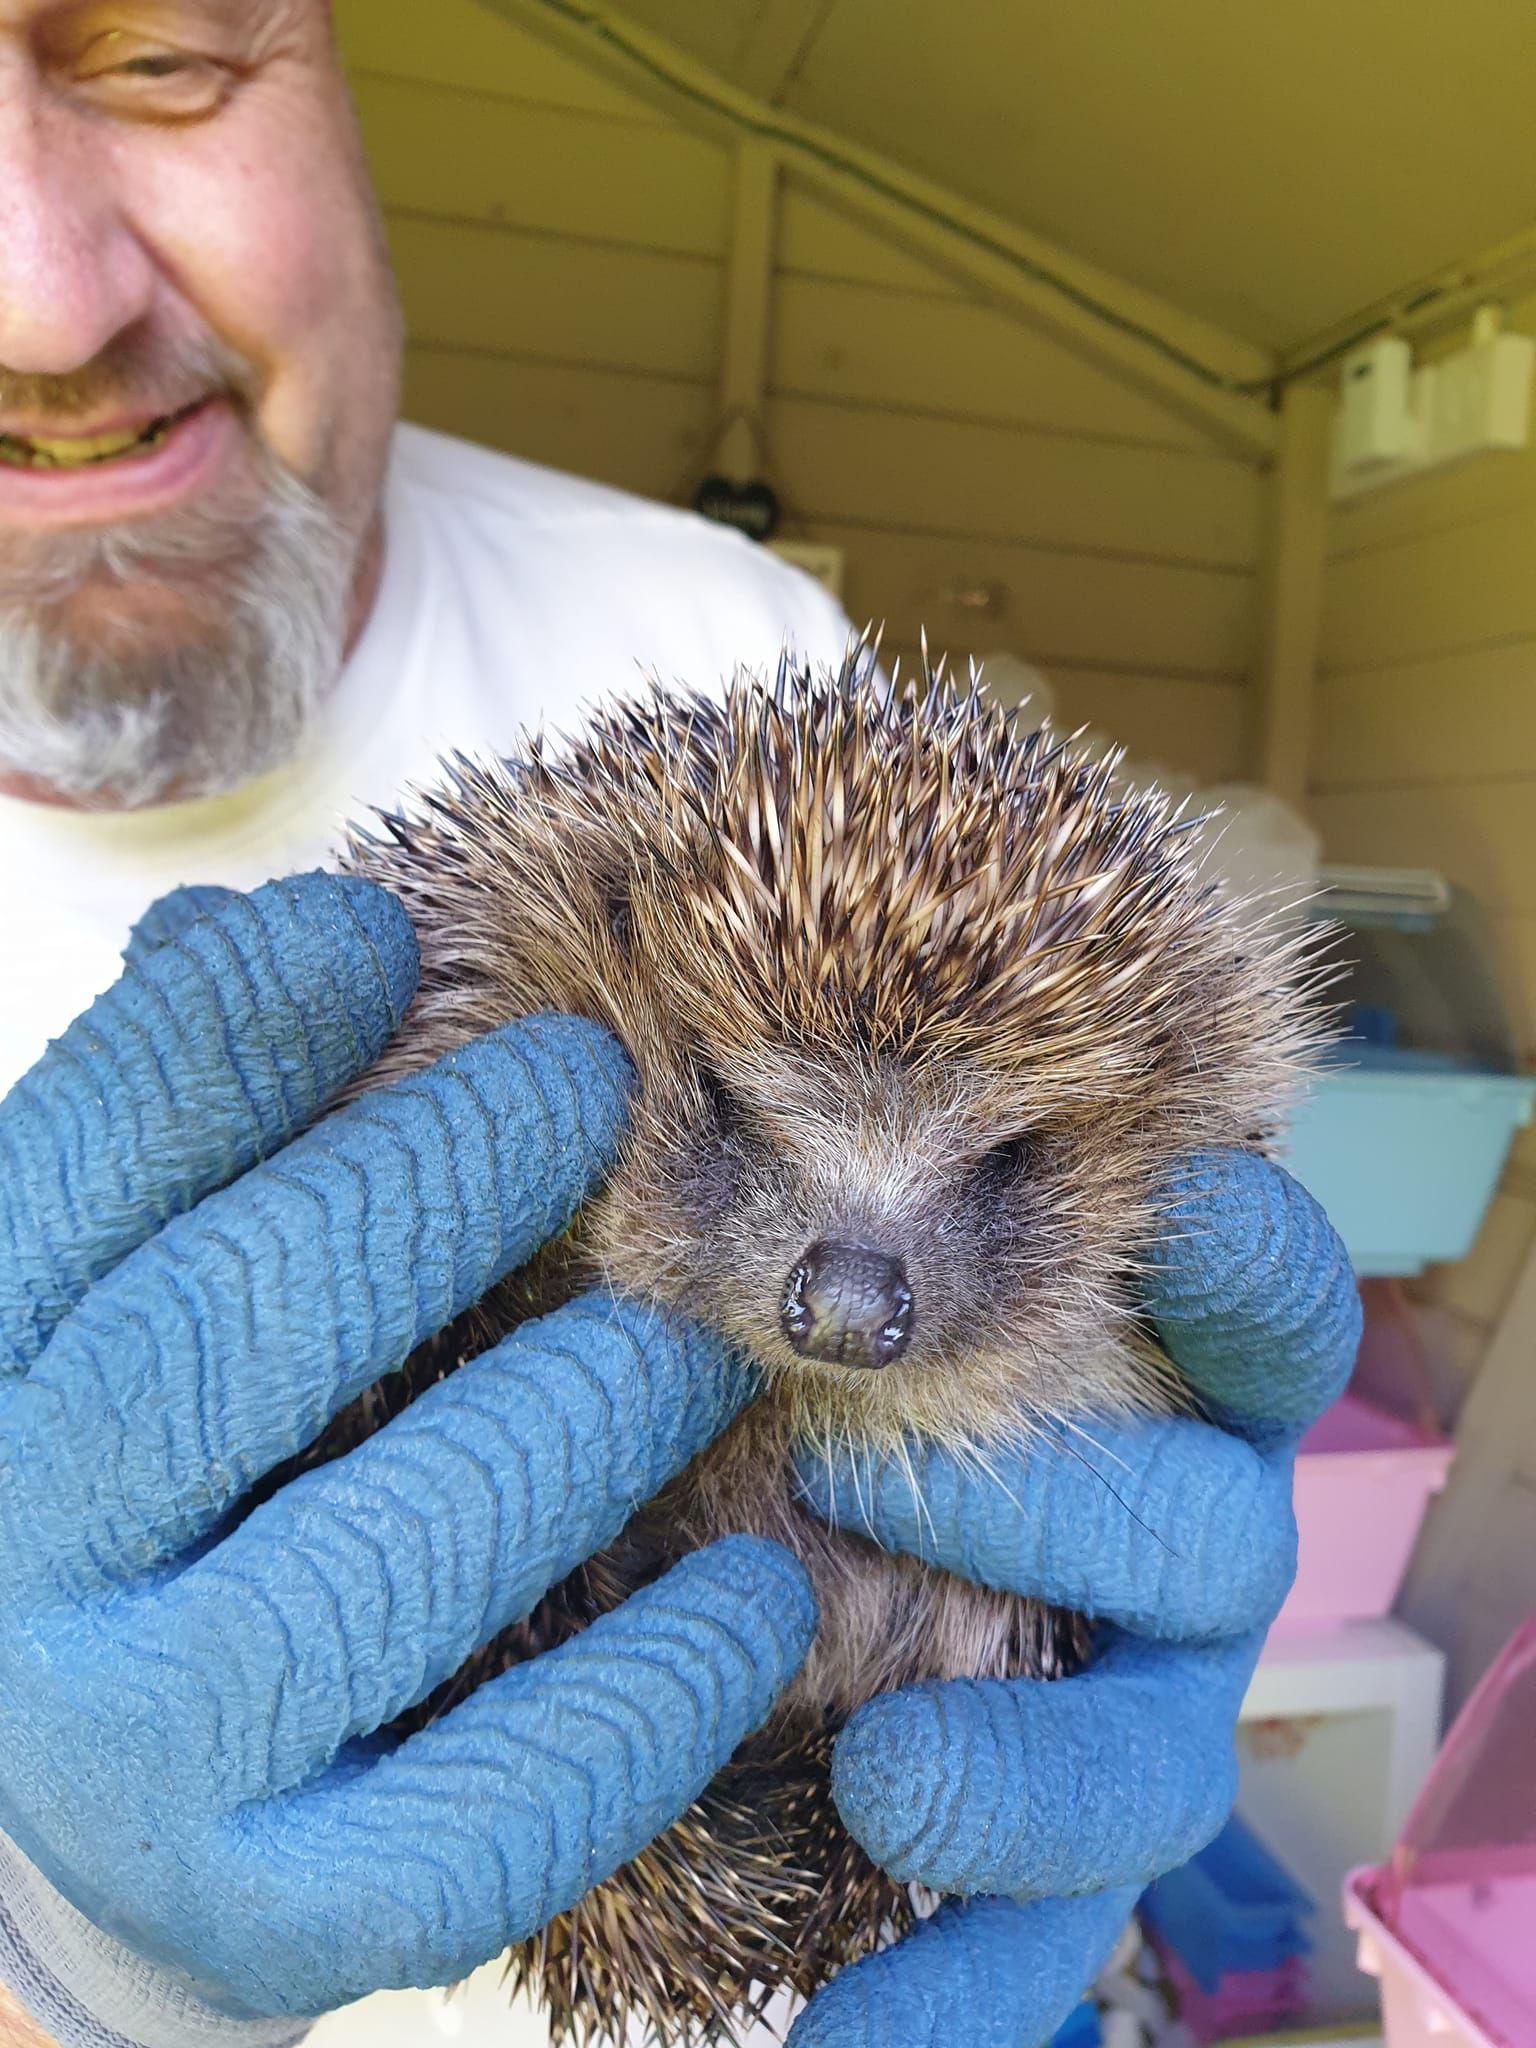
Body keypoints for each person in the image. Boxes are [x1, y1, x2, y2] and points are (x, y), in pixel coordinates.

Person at [0, 4, 1361, 2046]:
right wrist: (58, 1972)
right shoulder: (556, 913)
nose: (45, 291)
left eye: (157, 52)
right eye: (743, 1116)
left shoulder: (733, 634)